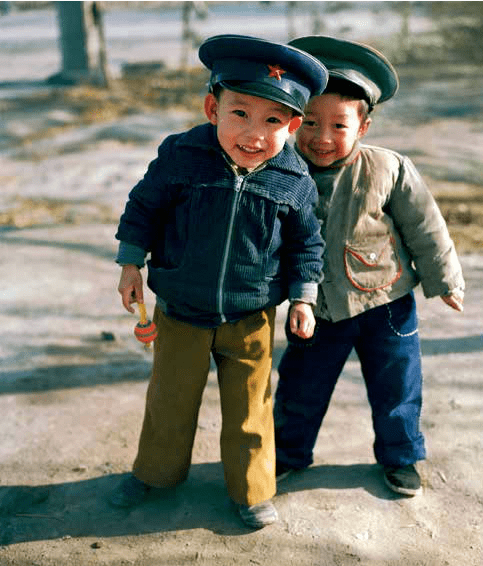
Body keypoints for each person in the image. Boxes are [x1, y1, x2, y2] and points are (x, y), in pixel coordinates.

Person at [110, 34, 328, 528]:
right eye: (240, 114)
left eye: (273, 121)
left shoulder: (294, 180)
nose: (254, 134)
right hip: (181, 310)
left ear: (293, 126)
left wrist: (303, 297)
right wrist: (130, 264)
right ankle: (155, 474)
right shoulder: (181, 156)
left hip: (251, 316)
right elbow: (143, 208)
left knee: (252, 408)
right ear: (213, 108)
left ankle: (251, 490)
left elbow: (306, 244)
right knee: (170, 399)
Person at [273, 36, 465, 497]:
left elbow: (426, 227)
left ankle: (401, 458)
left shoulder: (390, 168)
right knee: (300, 388)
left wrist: (444, 281)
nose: (322, 138)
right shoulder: (280, 169)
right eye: (311, 123)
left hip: (388, 302)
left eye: (338, 125)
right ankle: (287, 454)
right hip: (317, 308)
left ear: (362, 127)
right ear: (296, 121)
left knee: (397, 386)